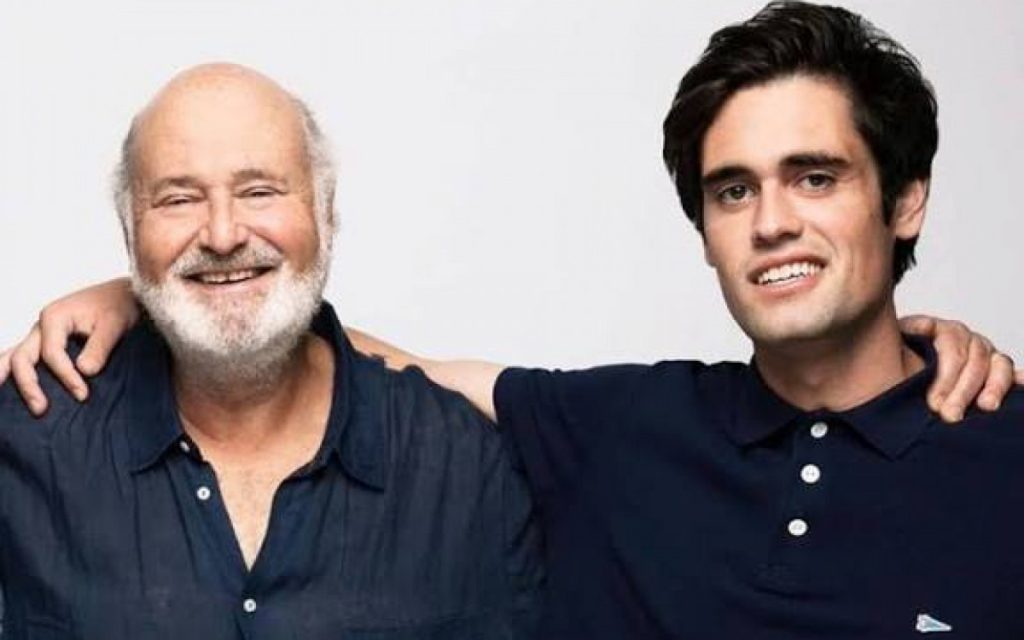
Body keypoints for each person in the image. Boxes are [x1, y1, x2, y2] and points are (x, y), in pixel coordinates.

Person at [2, 2, 1023, 639]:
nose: (772, 222)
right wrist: (154, 293)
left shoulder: (1006, 456)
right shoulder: (617, 432)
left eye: (816, 177)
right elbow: (352, 354)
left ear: (905, 200)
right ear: (704, 229)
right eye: (732, 190)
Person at [0, 64, 542, 639]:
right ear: (130, 233)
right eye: (179, 199)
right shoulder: (25, 443)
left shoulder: (471, 464)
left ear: (325, 212)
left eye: (259, 192)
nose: (223, 235)